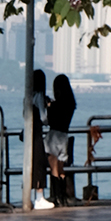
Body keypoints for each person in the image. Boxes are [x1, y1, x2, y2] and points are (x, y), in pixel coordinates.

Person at [45, 73, 77, 206]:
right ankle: (63, 196)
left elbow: (49, 120)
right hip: (64, 137)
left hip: (53, 136)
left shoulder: (55, 106)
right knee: (62, 168)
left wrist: (48, 106)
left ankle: (57, 196)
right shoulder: (70, 104)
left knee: (53, 168)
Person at [29, 68, 53, 209]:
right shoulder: (39, 96)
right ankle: (39, 197)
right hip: (37, 134)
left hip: (30, 133)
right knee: (40, 163)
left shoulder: (28, 96)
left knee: (31, 163)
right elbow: (43, 118)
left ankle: (31, 196)